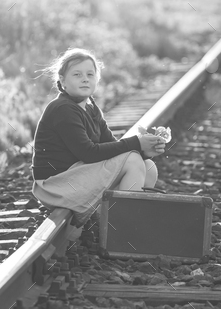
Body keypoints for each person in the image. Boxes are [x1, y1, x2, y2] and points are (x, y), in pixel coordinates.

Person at [31, 48, 166, 227]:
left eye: (90, 74)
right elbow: (88, 153)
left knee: (148, 167)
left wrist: (145, 150)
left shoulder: (90, 107)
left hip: (76, 177)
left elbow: (112, 147)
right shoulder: (63, 109)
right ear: (62, 81)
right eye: (77, 74)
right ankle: (122, 229)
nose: (85, 78)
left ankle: (115, 220)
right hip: (54, 185)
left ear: (97, 79)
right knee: (133, 160)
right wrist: (136, 144)